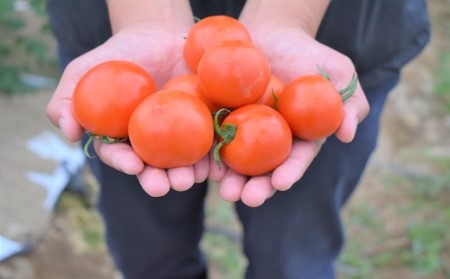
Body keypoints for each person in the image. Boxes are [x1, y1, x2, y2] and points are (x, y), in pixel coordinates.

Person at [45, 0, 430, 278]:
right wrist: (146, 14)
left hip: (332, 28)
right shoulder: (154, 91)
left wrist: (287, 15)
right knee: (146, 252)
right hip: (119, 27)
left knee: (292, 257)